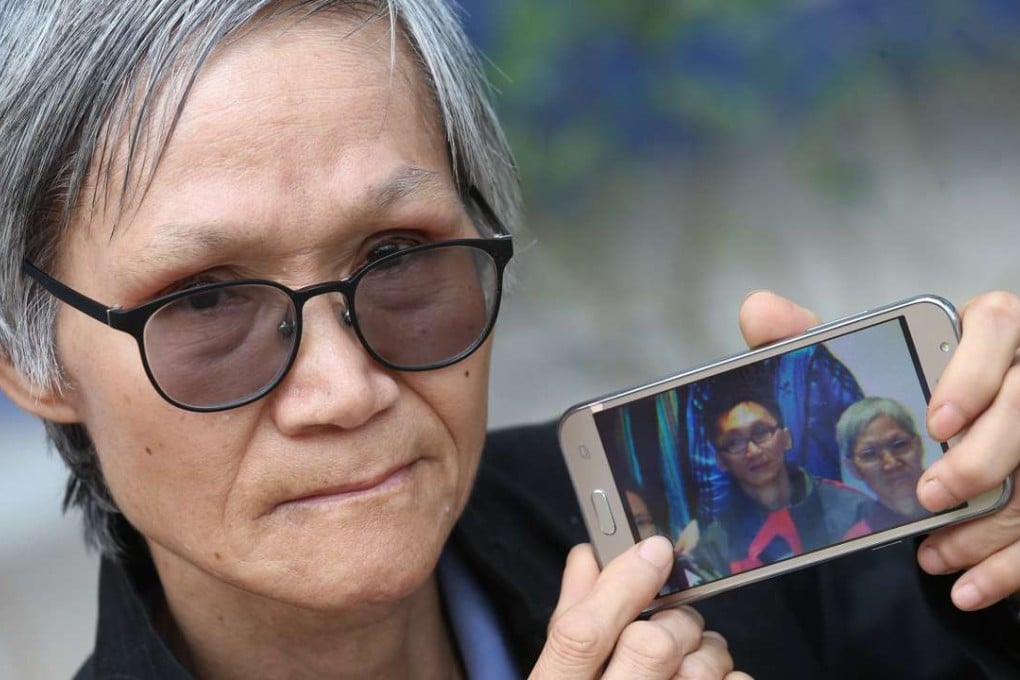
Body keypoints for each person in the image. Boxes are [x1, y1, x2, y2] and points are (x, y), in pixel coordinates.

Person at [0, 1, 1018, 679]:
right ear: (31, 358)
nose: (343, 388)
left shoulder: (743, 540)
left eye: (398, 256)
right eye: (207, 302)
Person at [688, 390, 870, 575]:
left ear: (786, 438)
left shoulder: (852, 508)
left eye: (761, 432)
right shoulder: (713, 548)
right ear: (721, 461)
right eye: (734, 442)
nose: (753, 451)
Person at [837, 397, 929, 537]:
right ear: (853, 468)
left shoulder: (960, 495)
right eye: (870, 454)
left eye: (899, 445)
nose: (891, 463)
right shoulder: (859, 540)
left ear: (919, 446)